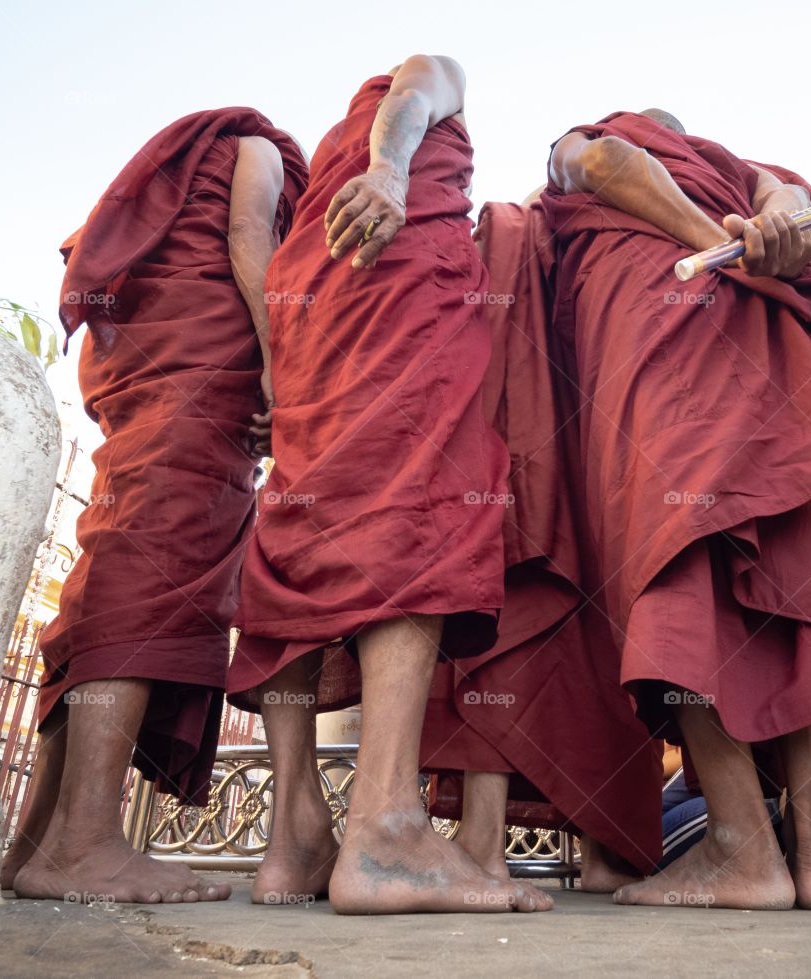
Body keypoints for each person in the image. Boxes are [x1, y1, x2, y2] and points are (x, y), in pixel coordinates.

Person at [541, 107, 811, 910]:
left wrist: (717, 245)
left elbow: (602, 163)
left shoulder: (594, 141)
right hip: (766, 347)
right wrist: (770, 239)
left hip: (665, 338)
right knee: (796, 567)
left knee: (680, 552)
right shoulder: (736, 170)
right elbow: (789, 198)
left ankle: (742, 850)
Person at [226, 56, 551, 914]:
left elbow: (251, 240)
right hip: (399, 281)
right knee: (418, 505)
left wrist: (271, 356)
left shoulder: (313, 179)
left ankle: (293, 838)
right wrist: (390, 170)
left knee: (301, 534)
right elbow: (414, 98)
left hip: (313, 315)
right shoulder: (420, 82)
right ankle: (386, 830)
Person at [6, 109, 308, 903]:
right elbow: (249, 234)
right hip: (199, 376)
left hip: (148, 368)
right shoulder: (257, 149)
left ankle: (41, 842)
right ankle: (87, 844)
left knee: (115, 564)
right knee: (156, 568)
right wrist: (282, 367)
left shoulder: (190, 167)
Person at [420, 197, 664, 894]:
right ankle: (582, 849)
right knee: (567, 643)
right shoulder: (540, 231)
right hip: (589, 463)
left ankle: (493, 844)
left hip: (570, 461)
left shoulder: (527, 229)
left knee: (552, 641)